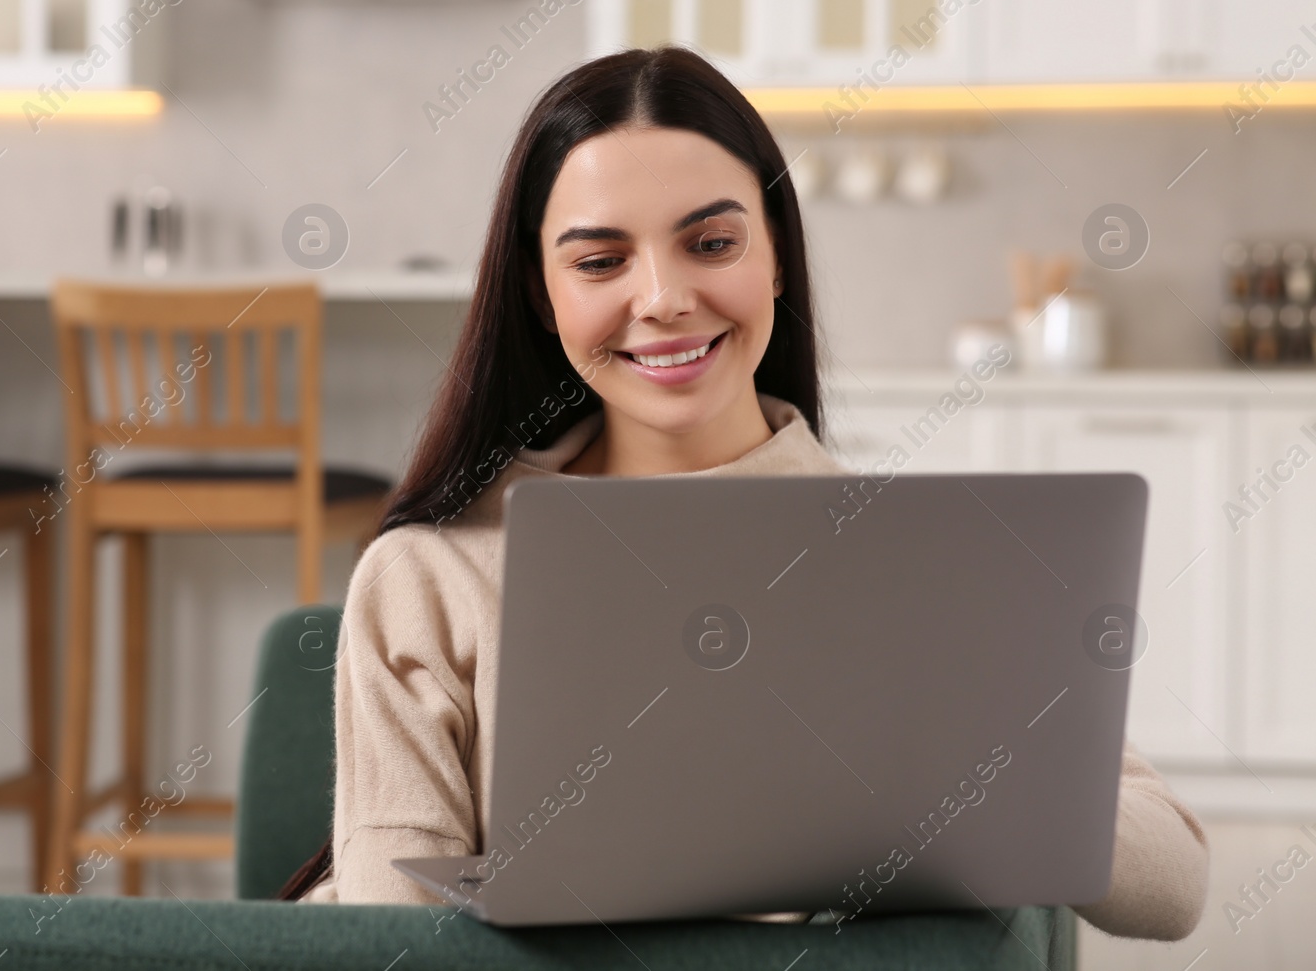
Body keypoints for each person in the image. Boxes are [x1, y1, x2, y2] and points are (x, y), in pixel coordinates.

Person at [288, 46, 1209, 941]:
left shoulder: (912, 554)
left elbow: (1174, 881)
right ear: (542, 294)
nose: (663, 298)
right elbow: (386, 938)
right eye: (600, 261)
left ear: (775, 257)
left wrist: (953, 789)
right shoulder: (432, 573)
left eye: (712, 242)